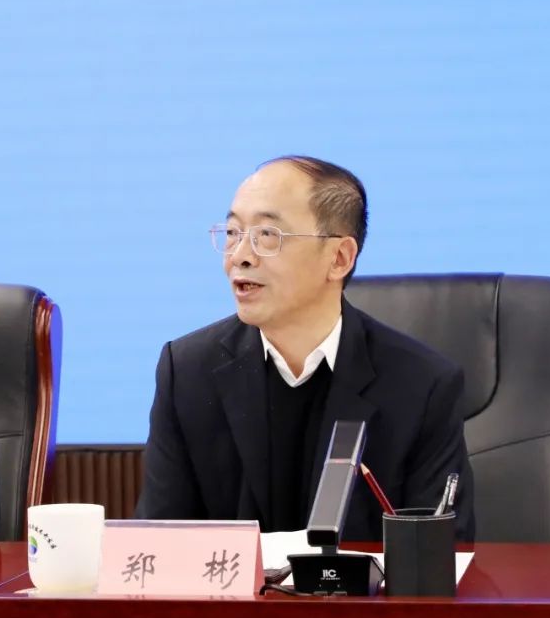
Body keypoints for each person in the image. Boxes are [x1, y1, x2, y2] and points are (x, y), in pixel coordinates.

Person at [135, 156, 475, 540]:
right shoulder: (188, 371)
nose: (239, 256)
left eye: (267, 235)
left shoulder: (421, 385)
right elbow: (157, 543)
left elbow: (439, 555)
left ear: (339, 258)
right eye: (232, 232)